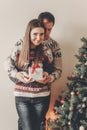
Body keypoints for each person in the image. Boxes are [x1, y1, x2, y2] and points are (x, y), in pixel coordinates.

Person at [4, 19, 62, 130]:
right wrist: (17, 75)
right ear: (28, 33)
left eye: (41, 34)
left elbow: (53, 71)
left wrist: (48, 77)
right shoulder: (19, 48)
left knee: (37, 126)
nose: (38, 38)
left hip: (42, 97)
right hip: (22, 96)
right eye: (35, 34)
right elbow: (8, 64)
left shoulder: (47, 50)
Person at [38, 12, 62, 121]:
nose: (47, 33)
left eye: (50, 29)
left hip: (44, 91)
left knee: (41, 122)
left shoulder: (54, 45)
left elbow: (58, 69)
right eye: (45, 29)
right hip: (25, 93)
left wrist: (50, 78)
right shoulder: (29, 41)